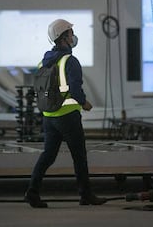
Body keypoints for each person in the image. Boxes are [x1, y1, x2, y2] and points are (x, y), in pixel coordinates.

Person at [24, 19, 106, 208]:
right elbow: (75, 89)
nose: (73, 36)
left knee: (48, 155)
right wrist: (84, 103)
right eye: (70, 33)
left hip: (49, 117)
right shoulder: (70, 61)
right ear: (64, 38)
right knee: (79, 156)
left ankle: (32, 192)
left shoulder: (42, 62)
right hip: (68, 116)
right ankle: (86, 195)